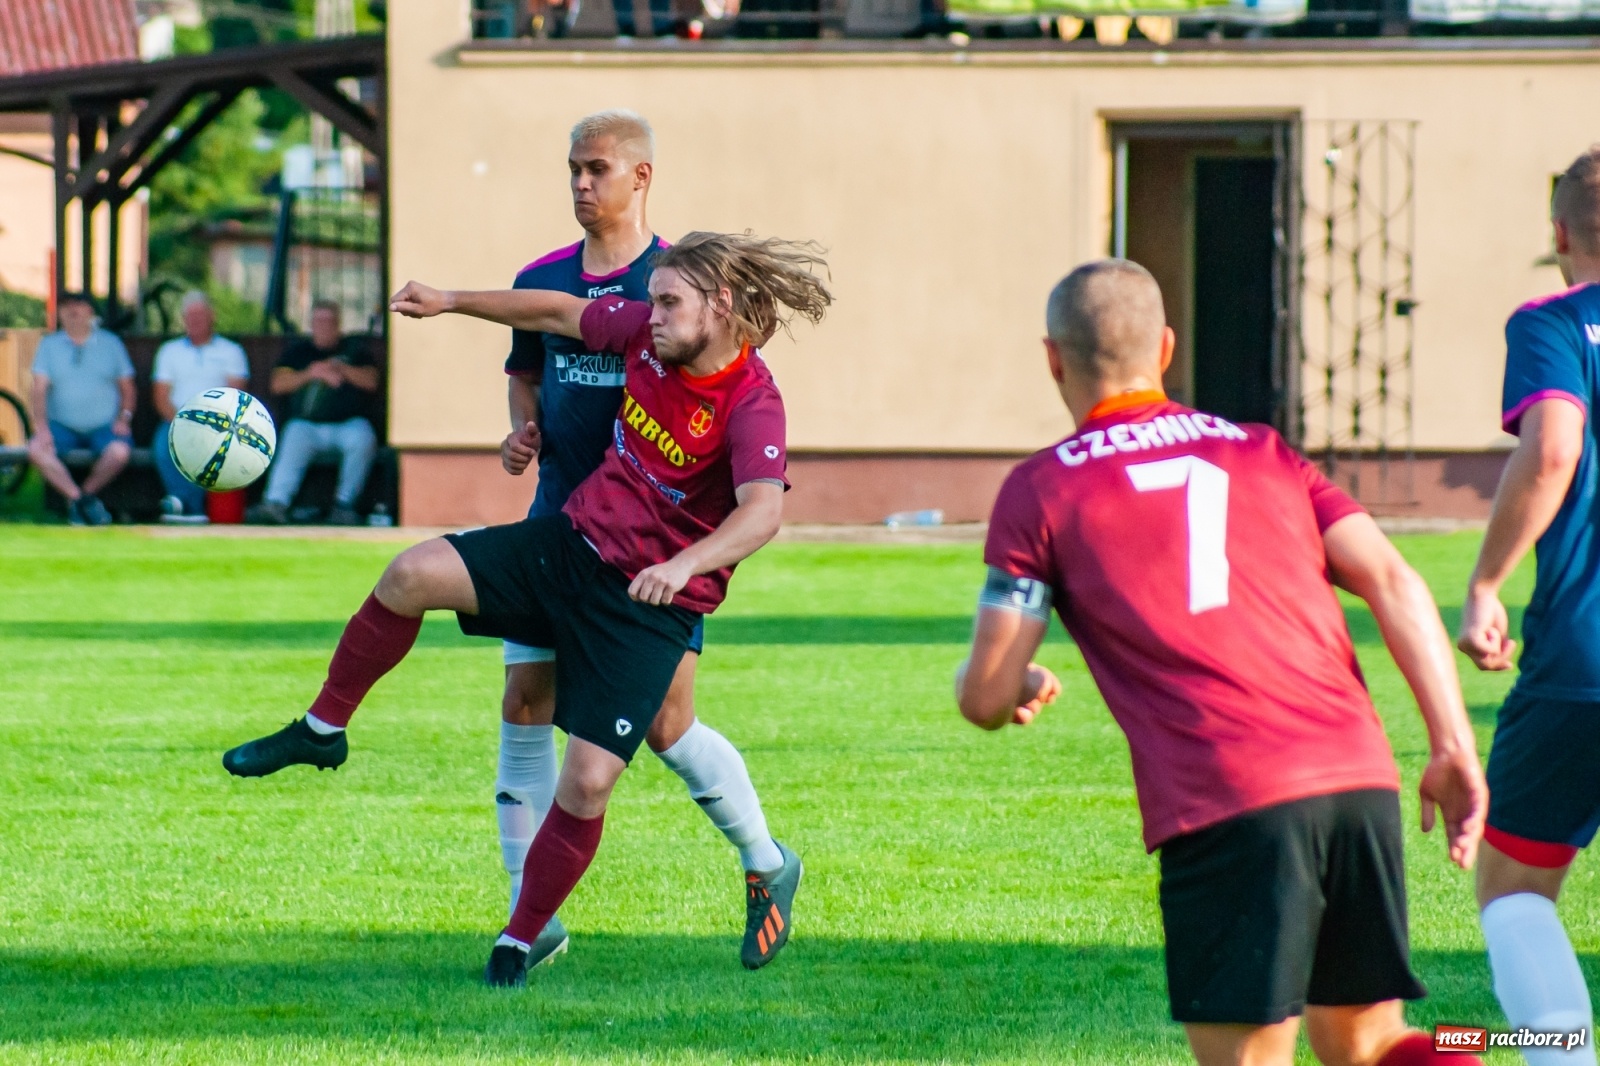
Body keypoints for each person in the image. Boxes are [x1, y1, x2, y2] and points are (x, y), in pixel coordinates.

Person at [221, 230, 828, 988]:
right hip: (573, 545)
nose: (655, 315)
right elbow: (553, 312)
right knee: (410, 574)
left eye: (671, 302)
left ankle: (521, 938)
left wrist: (681, 565)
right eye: (655, 300)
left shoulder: (752, 402)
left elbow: (761, 513)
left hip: (647, 605)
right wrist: (450, 301)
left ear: (722, 305)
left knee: (592, 781)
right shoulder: (644, 330)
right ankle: (322, 730)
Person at [957, 260, 1487, 1066]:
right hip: (1356, 779)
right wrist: (1452, 743)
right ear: (1165, 349)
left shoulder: (1043, 490)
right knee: (1372, 1043)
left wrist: (1016, 684)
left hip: (1230, 801)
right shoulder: (1264, 452)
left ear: (1053, 359)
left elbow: (984, 693)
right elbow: (1393, 579)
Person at [488, 111, 793, 972]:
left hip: (657, 542)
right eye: (572, 171)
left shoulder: (675, 290)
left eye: (597, 170)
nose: (583, 185)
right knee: (524, 702)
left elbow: (731, 406)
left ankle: (767, 861)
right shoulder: (540, 278)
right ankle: (528, 915)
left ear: (641, 176)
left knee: (667, 724)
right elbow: (526, 376)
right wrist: (523, 432)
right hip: (561, 525)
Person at [1457, 145, 1600, 1066]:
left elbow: (1552, 448)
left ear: (1558, 235)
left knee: (1514, 887)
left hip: (1585, 661)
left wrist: (1484, 585)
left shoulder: (1554, 324)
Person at [249, 299, 379, 526]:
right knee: (294, 433)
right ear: (311, 324)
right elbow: (278, 384)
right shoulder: (299, 352)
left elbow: (371, 381)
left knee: (363, 436)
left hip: (347, 425)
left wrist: (340, 368)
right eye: (319, 321)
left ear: (338, 324)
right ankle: (275, 503)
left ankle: (344, 505)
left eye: (329, 321)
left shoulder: (355, 350)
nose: (324, 326)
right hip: (308, 426)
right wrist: (312, 373)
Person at [26, 292, 134, 525]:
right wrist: (42, 428)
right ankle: (81, 501)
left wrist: (124, 419)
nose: (73, 311)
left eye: (79, 306)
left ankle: (82, 498)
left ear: (90, 312)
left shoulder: (111, 344)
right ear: (60, 314)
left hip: (104, 426)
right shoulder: (48, 345)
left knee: (120, 453)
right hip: (61, 426)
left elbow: (127, 388)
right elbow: (39, 389)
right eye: (67, 307)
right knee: (36, 450)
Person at [152, 291, 250, 523]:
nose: (195, 320)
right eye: (190, 315)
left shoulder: (231, 351)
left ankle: (184, 505)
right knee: (163, 444)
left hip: (220, 422)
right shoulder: (169, 351)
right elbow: (161, 397)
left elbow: (236, 395)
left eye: (201, 315)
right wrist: (183, 423)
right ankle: (188, 505)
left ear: (212, 316)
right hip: (177, 419)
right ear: (184, 319)